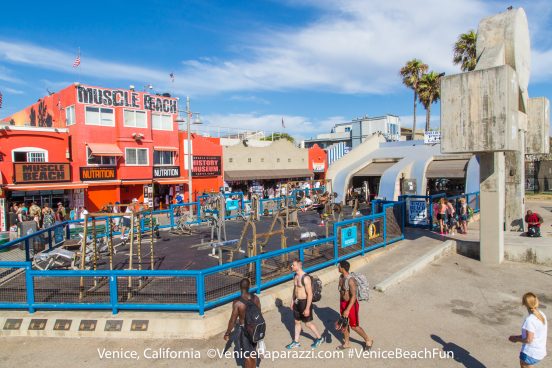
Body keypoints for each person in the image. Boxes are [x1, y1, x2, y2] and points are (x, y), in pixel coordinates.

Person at [224, 278, 261, 368]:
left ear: (240, 287)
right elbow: (259, 313)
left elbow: (233, 320)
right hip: (255, 328)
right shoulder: (256, 298)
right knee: (252, 351)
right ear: (249, 287)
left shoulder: (237, 303)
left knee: (247, 355)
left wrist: (227, 333)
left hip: (244, 330)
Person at [286, 259, 323, 349]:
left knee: (308, 323)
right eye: (292, 265)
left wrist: (307, 308)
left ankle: (319, 338)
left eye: (293, 265)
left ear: (299, 265)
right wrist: (292, 302)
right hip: (297, 302)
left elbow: (310, 294)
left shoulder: (305, 278)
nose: (292, 266)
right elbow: (295, 290)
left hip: (304, 302)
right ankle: (296, 342)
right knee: (297, 322)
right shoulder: (295, 276)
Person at [336, 260, 373, 351]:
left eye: (339, 266)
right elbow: (342, 292)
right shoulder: (341, 277)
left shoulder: (351, 280)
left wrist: (347, 309)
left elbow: (353, 297)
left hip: (351, 305)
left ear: (343, 268)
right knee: (345, 324)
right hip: (343, 304)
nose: (338, 268)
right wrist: (342, 306)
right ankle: (347, 343)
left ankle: (368, 340)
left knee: (354, 326)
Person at [509, 292, 547, 367]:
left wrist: (516, 339)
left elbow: (528, 340)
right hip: (540, 352)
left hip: (530, 354)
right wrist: (516, 337)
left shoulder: (530, 320)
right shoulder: (541, 314)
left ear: (524, 303)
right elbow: (533, 335)